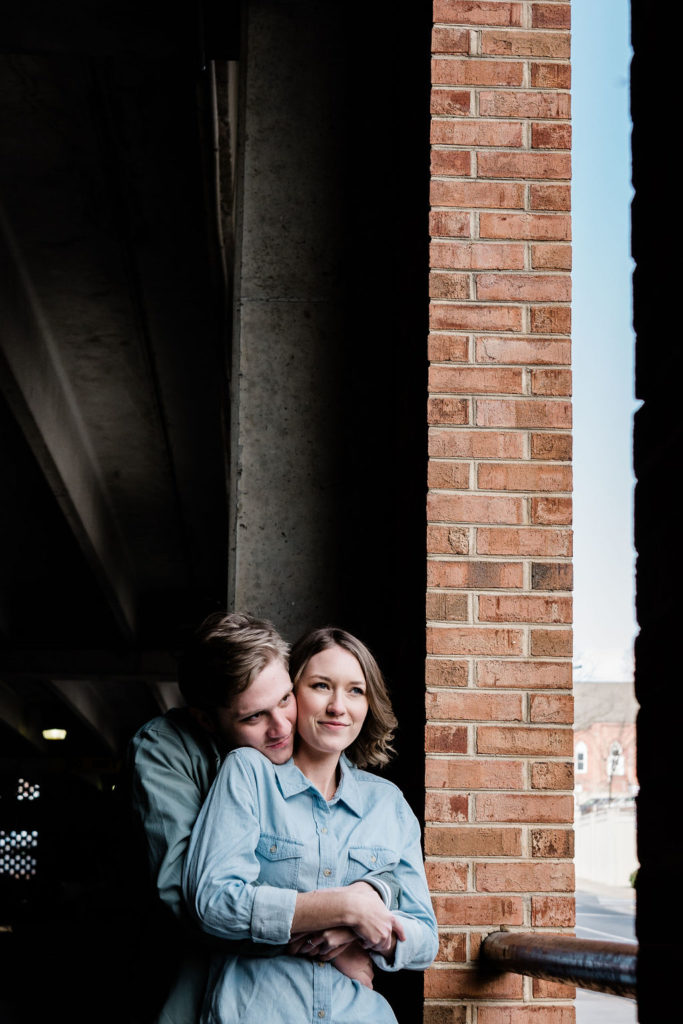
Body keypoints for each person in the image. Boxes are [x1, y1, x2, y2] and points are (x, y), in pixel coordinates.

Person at [127, 613, 398, 1024]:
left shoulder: (334, 771)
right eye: (254, 717)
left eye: (286, 699)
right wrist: (328, 934)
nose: (282, 727)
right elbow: (188, 901)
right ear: (206, 719)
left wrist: (357, 912)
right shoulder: (164, 751)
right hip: (195, 990)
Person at [182, 627, 439, 1024]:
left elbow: (424, 940)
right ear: (293, 693)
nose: (339, 706)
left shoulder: (388, 804)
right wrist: (345, 906)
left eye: (356, 690)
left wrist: (358, 929)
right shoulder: (248, 774)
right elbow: (215, 902)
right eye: (321, 686)